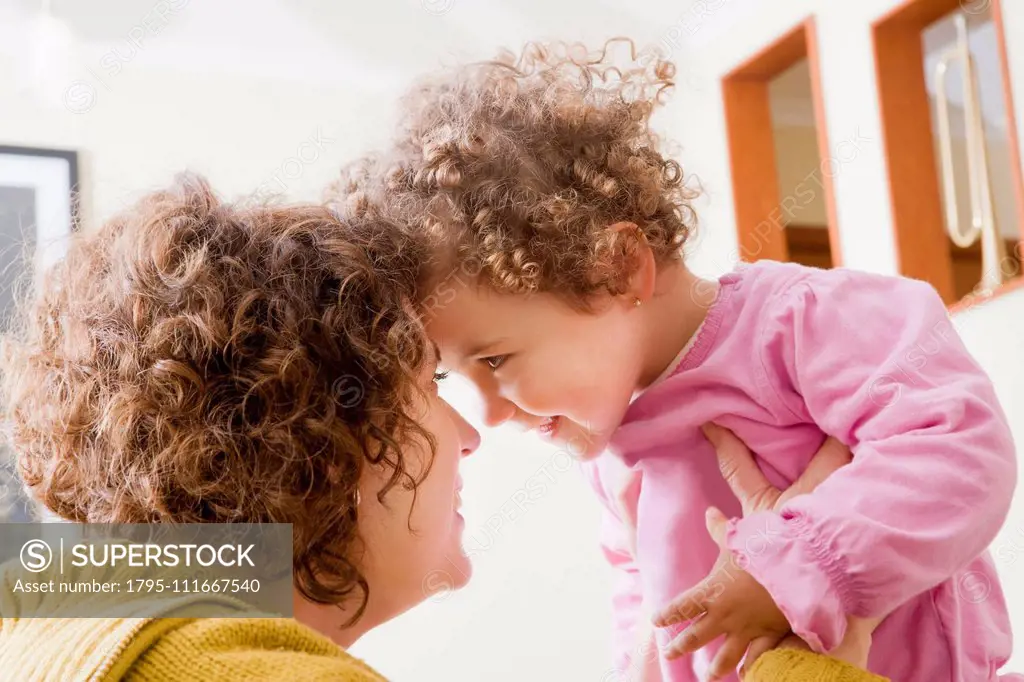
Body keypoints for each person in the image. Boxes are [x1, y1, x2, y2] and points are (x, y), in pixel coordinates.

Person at [0, 173, 896, 681]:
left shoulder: (55, 612)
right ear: (324, 430)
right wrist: (798, 663)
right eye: (428, 381)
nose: (472, 435)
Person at [327, 39, 1020, 681]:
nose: (488, 412)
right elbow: (641, 594)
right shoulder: (610, 445)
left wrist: (791, 567)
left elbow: (958, 446)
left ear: (621, 267)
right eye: (451, 374)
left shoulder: (803, 323)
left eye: (498, 359)